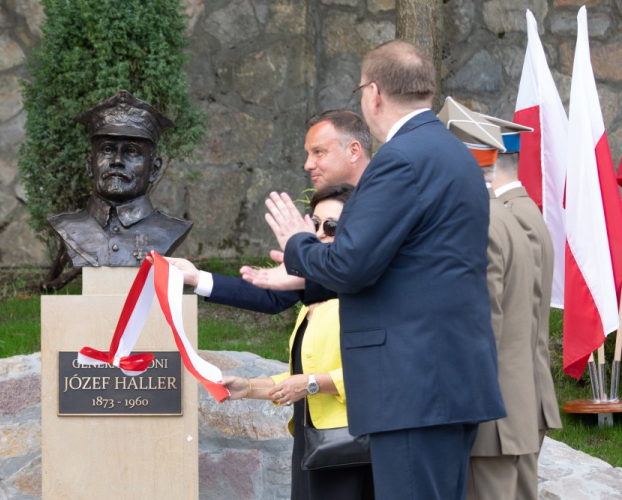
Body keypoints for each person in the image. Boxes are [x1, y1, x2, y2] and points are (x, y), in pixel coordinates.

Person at [251, 40, 506, 500]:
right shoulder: (457, 157)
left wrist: (298, 243)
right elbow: (415, 264)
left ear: (373, 94)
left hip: (412, 385)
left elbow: (351, 264)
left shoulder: (400, 159)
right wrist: (308, 276)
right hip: (450, 378)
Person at [168, 185, 374, 500]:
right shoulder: (313, 301)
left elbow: (372, 372)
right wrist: (250, 388)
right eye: (313, 225)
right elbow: (299, 374)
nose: (318, 235)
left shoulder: (364, 297)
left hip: (350, 446)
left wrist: (311, 384)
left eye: (330, 227)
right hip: (312, 444)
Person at [438, 102, 540, 500]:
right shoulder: (503, 216)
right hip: (510, 406)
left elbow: (484, 326)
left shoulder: (480, 221)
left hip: (489, 414)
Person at [194, 110, 372, 315]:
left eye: (319, 152)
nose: (307, 164)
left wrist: (308, 267)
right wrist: (196, 278)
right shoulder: (331, 203)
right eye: (316, 225)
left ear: (353, 151)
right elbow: (274, 295)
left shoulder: (390, 204)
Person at [490, 119, 562, 500]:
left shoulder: (512, 216)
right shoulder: (519, 209)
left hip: (511, 396)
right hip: (517, 396)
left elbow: (517, 310)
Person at [48, 90, 192, 267]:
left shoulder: (170, 230)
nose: (117, 161)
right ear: (90, 164)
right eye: (107, 150)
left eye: (132, 152)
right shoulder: (65, 226)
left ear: (154, 169)